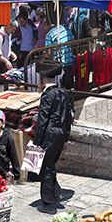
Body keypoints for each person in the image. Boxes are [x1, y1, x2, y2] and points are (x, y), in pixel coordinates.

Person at [33, 63, 73, 213]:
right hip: (60, 134)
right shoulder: (64, 93)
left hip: (49, 134)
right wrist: (66, 135)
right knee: (50, 164)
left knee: (46, 167)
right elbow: (69, 117)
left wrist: (37, 142)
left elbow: (42, 121)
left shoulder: (47, 95)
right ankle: (55, 191)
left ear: (42, 79)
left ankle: (48, 200)